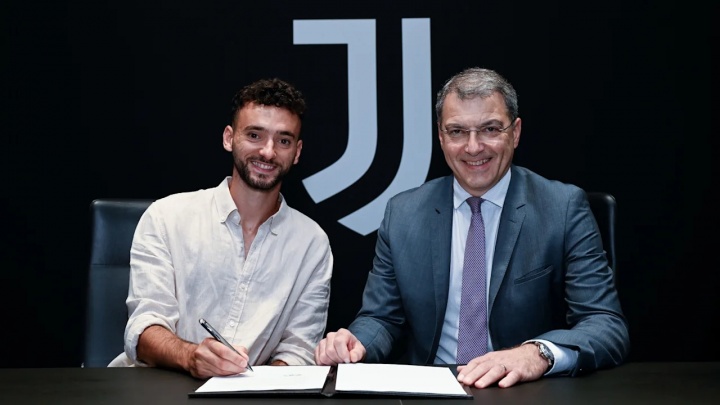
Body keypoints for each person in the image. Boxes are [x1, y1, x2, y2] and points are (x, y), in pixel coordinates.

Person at [314, 67, 629, 388]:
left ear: (515, 132)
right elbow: (381, 318)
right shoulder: (403, 213)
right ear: (441, 137)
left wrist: (537, 353)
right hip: (429, 391)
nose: (474, 147)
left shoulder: (562, 207)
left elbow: (605, 325)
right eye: (457, 131)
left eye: (490, 129)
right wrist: (356, 344)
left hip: (521, 391)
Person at [109, 78, 334, 379]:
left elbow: (299, 351)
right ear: (229, 138)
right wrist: (191, 357)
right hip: (155, 389)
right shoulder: (166, 216)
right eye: (254, 135)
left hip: (251, 396)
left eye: (283, 141)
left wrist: (258, 387)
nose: (268, 152)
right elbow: (144, 327)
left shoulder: (312, 243)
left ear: (297, 152)